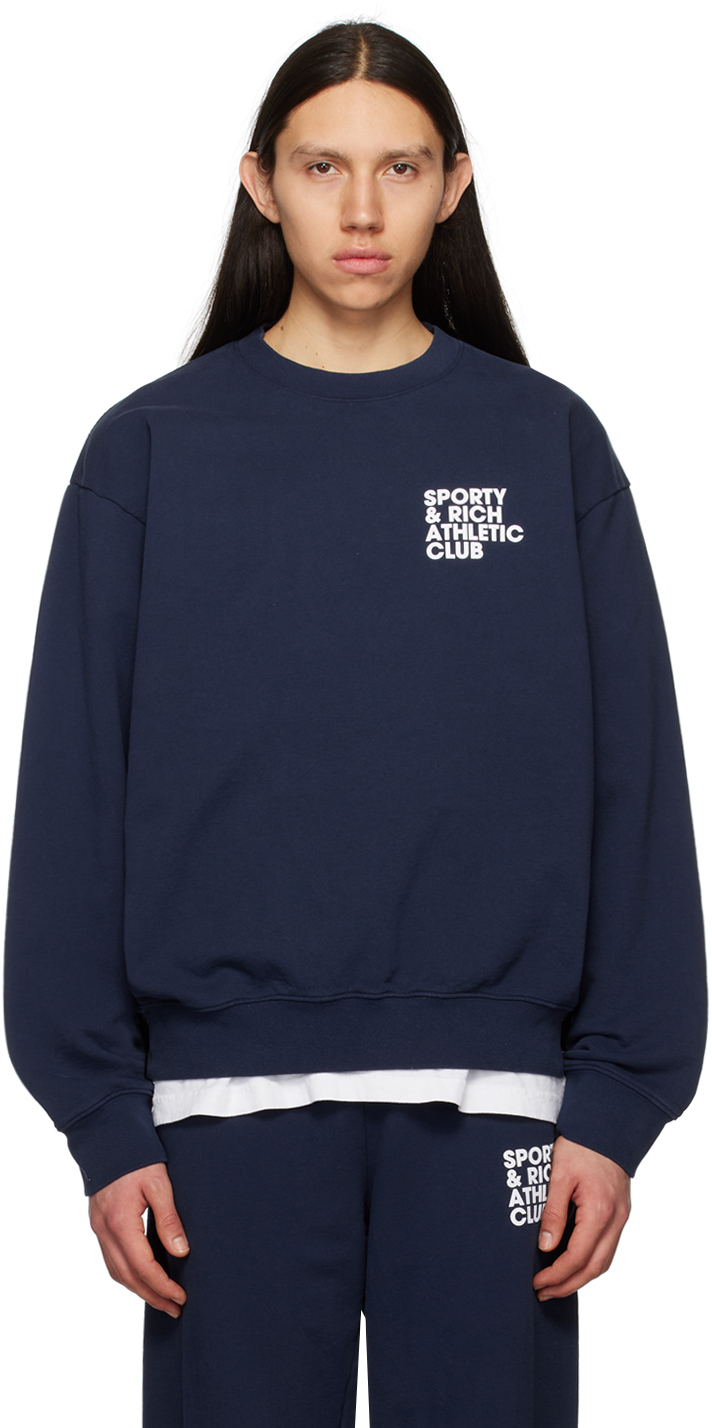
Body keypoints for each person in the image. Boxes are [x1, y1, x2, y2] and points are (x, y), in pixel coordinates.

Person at [2, 18, 707, 1428]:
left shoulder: (546, 446)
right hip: (218, 1122)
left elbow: (635, 784)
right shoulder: (148, 453)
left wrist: (620, 1101)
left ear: (455, 183)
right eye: (324, 166)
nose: (364, 209)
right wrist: (101, 1118)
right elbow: (73, 793)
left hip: (505, 1112)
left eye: (403, 166)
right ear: (260, 182)